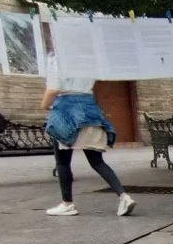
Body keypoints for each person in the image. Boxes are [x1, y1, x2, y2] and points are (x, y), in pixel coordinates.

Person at [42, 53, 135, 217]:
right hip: (89, 110)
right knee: (97, 161)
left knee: (63, 162)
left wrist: (44, 104)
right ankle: (124, 196)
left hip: (66, 113)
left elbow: (53, 89)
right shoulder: (89, 59)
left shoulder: (56, 58)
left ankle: (67, 204)